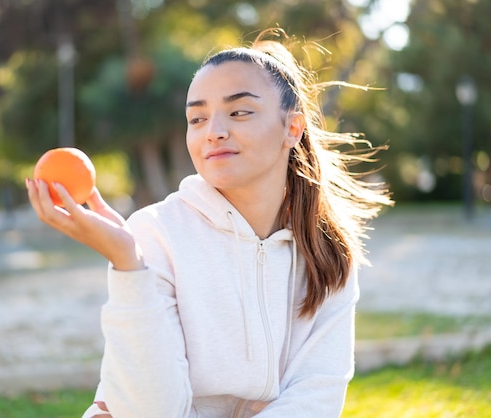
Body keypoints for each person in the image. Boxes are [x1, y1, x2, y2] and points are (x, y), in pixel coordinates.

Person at [26, 28, 392, 418]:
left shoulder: (329, 251)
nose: (214, 132)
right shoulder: (154, 232)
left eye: (239, 112)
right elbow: (152, 411)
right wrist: (127, 263)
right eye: (197, 118)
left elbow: (316, 396)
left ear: (292, 128)